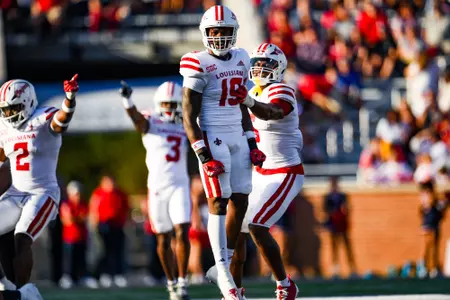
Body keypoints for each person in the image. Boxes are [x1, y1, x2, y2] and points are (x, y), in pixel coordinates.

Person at [179, 5, 266, 300]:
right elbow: (188, 115)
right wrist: (203, 155)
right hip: (212, 134)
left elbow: (243, 106)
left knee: (241, 199)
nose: (219, 37)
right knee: (218, 200)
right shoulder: (196, 62)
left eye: (225, 31)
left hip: (237, 135)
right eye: (214, 31)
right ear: (205, 33)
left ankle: (224, 261)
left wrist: (253, 144)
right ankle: (222, 270)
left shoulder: (242, 58)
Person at [237, 43, 303, 299]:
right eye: (257, 63)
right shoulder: (252, 91)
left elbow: (273, 112)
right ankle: (235, 290)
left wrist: (247, 101)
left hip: (284, 172)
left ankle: (285, 284)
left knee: (256, 226)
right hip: (259, 174)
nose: (261, 68)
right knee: (237, 230)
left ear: (280, 68)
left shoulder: (282, 89)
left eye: (267, 63)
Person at [0, 75, 79, 291]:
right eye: (5, 110)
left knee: (22, 238)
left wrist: (69, 99)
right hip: (16, 193)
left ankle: (24, 292)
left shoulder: (43, 117)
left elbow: (61, 121)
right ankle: (7, 285)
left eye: (13, 108)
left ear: (27, 102)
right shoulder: (4, 127)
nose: (9, 114)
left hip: (42, 193)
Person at [119, 81, 191, 300]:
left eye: (173, 104)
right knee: (163, 238)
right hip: (158, 187)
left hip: (180, 184)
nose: (169, 108)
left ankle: (182, 282)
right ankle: (170, 284)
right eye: (166, 104)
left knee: (182, 232)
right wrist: (127, 101)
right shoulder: (152, 120)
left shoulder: (186, 122)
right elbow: (137, 121)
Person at [89, 174, 129, 288]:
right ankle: (103, 274)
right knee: (104, 251)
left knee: (117, 251)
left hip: (118, 226)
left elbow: (126, 209)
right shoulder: (98, 193)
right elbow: (93, 209)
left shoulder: (121, 194)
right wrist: (94, 225)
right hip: (104, 226)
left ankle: (118, 274)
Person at [59, 181, 97, 289]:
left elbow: (86, 217)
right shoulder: (67, 204)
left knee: (81, 259)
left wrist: (76, 218)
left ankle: (81, 277)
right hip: (70, 237)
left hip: (82, 236)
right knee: (69, 260)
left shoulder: (83, 204)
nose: (77, 196)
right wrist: (77, 218)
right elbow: (68, 220)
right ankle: (67, 277)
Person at [323, 176, 357, 278]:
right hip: (333, 225)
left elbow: (347, 209)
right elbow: (325, 209)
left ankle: (352, 269)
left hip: (342, 225)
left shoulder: (343, 196)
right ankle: (335, 270)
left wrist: (343, 212)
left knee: (347, 247)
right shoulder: (327, 196)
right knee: (334, 248)